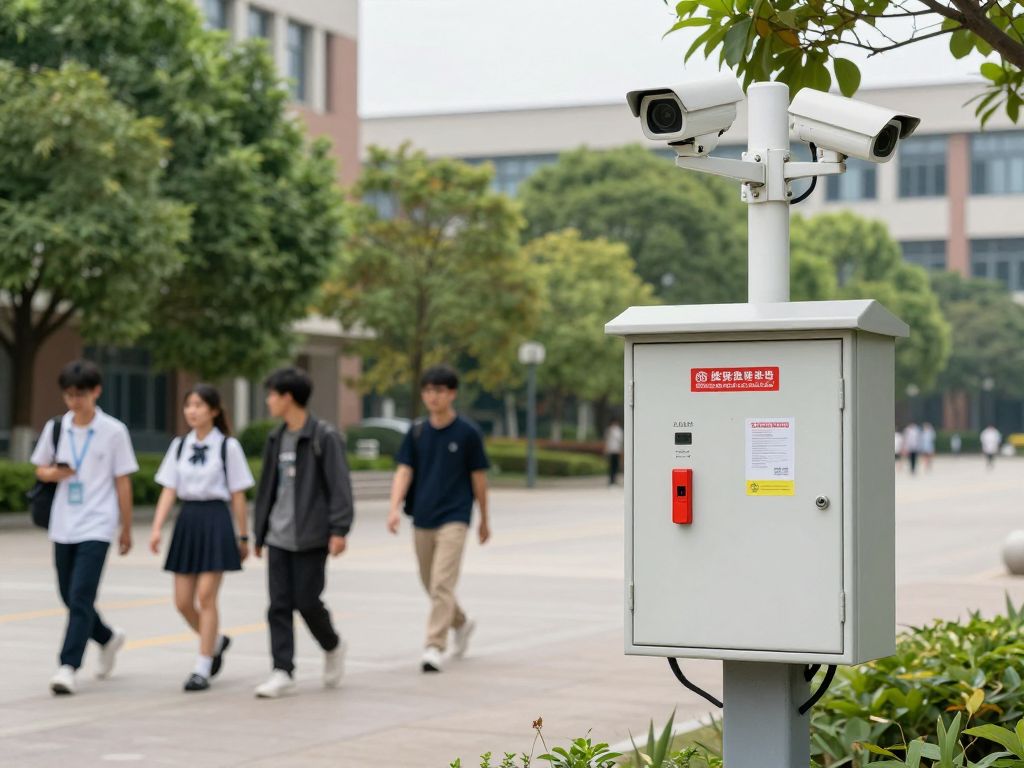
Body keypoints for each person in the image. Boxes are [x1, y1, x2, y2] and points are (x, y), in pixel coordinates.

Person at [30, 360, 138, 696]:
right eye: (68, 395)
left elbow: (123, 482)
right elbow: (39, 469)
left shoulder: (113, 431)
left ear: (96, 392)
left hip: (98, 523)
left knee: (80, 595)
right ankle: (107, 638)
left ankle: (67, 666)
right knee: (68, 593)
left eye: (80, 395)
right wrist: (54, 474)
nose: (74, 402)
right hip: (64, 521)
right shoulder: (57, 428)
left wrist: (125, 528)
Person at [252, 367, 354, 699]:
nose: (268, 401)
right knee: (278, 604)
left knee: (307, 601)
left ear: (288, 397)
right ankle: (282, 670)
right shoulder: (275, 438)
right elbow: (268, 487)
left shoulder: (324, 437)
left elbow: (340, 486)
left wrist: (339, 528)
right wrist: (260, 531)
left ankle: (333, 645)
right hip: (278, 536)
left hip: (311, 534)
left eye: (271, 394)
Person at [149, 384, 254, 692]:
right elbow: (169, 489)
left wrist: (244, 535)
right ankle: (217, 641)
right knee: (182, 602)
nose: (192, 411)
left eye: (198, 405)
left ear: (214, 410)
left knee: (206, 597)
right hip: (188, 521)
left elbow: (237, 494)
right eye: (188, 405)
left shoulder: (228, 447)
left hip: (216, 521)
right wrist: (157, 528)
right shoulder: (179, 446)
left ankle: (202, 666)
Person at [386, 365, 491, 673]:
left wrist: (484, 518)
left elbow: (479, 478)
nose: (433, 396)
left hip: (455, 517)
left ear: (452, 394)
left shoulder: (468, 433)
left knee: (442, 582)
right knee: (430, 583)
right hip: (423, 515)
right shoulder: (417, 432)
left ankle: (434, 645)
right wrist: (393, 509)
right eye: (428, 390)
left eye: (439, 390)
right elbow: (404, 471)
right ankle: (461, 622)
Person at [605, 418, 624, 486]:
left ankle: (613, 480)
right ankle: (612, 480)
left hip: (615, 450)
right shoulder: (611, 430)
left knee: (614, 466)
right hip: (613, 450)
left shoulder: (617, 430)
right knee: (613, 466)